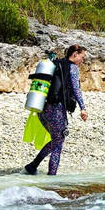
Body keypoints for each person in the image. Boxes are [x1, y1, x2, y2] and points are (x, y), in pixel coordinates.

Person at [25, 44, 88, 175]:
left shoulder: (56, 64)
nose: (83, 60)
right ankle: (51, 179)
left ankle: (32, 166)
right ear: (75, 54)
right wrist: (83, 108)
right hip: (56, 110)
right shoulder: (72, 68)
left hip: (42, 108)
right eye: (82, 57)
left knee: (57, 139)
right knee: (58, 144)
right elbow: (76, 89)